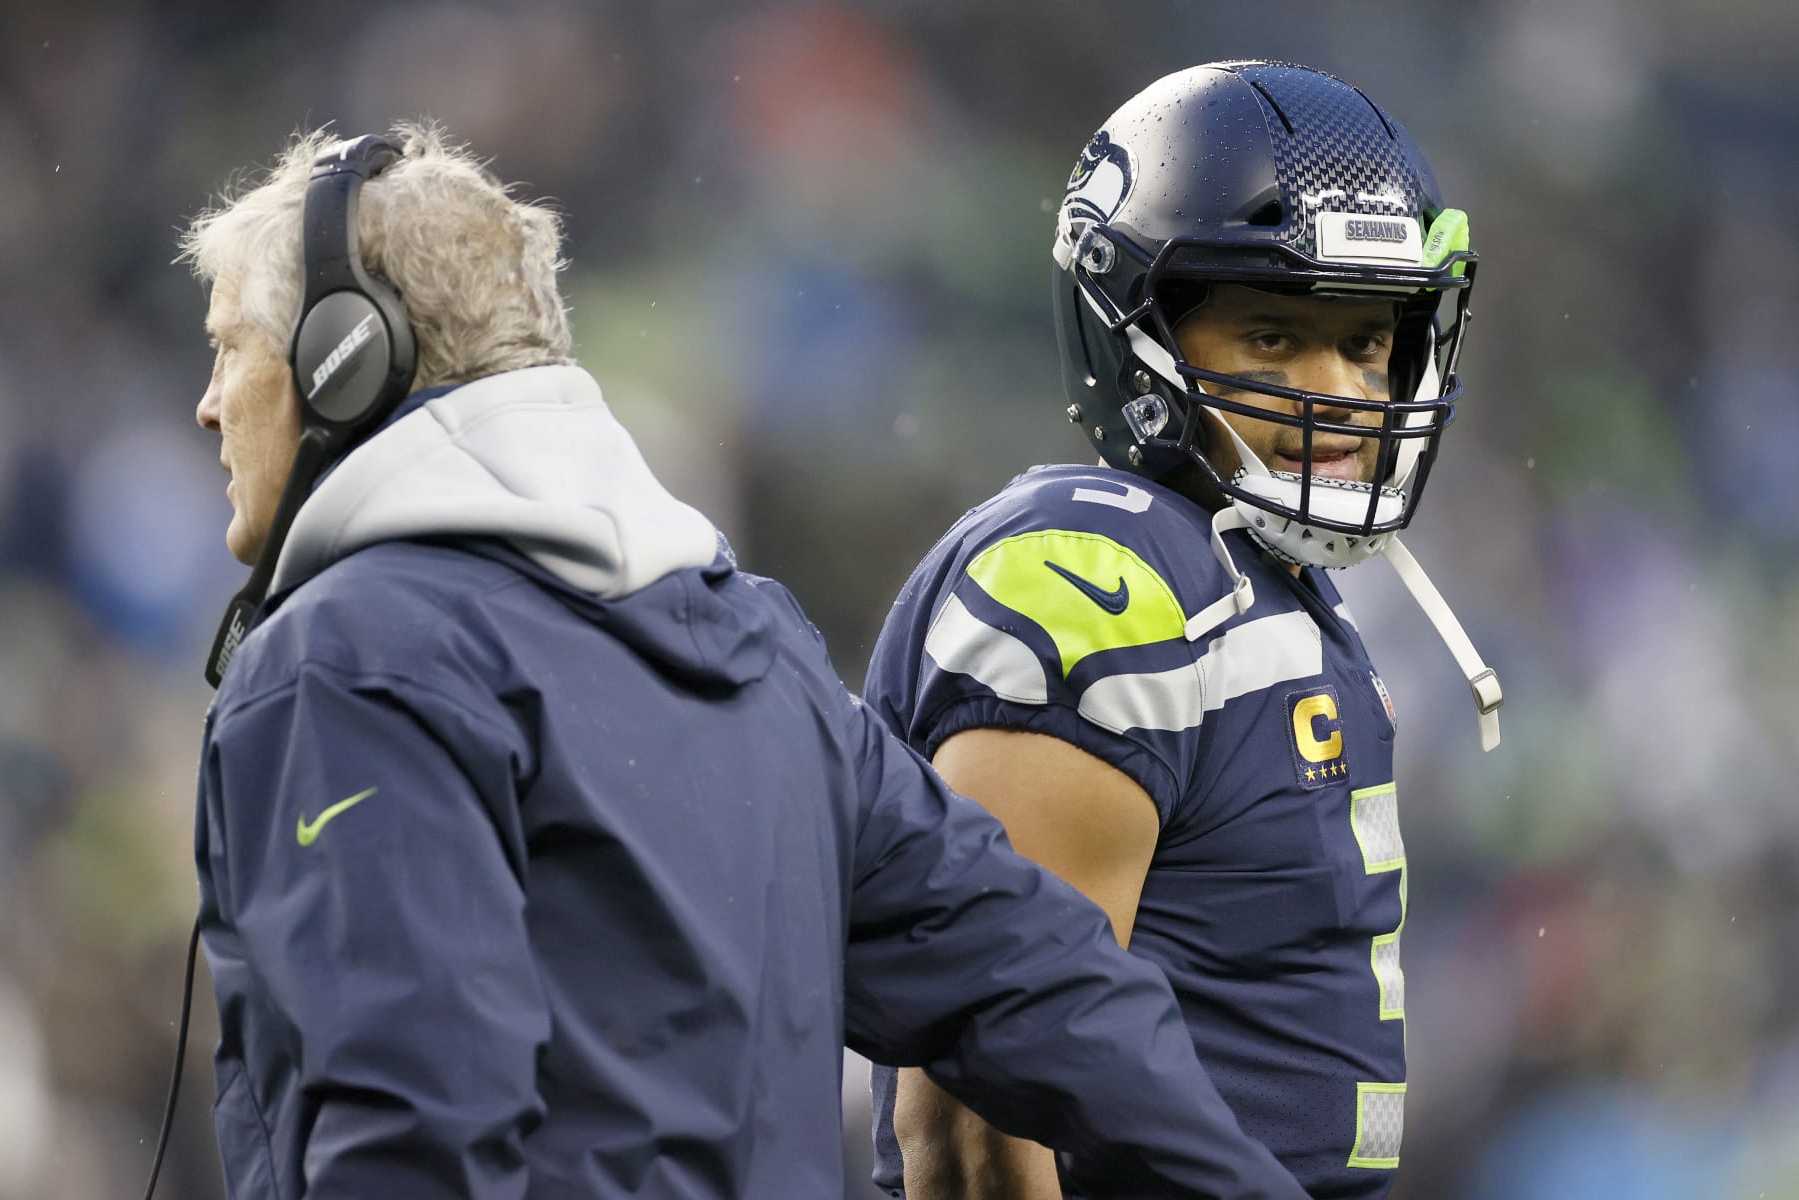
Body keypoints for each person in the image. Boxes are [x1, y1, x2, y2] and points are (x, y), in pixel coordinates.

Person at [178, 123, 1315, 1200]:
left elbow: (409, 1138)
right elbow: (1055, 1000)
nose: (208, 405)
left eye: (231, 346)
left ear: (346, 358)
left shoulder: (349, 661)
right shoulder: (759, 650)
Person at [864, 61, 1505, 1199]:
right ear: (1135, 334)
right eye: (1272, 337)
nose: (1345, 390)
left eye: (1367, 342)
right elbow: (974, 1105)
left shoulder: (1263, 579)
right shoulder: (1099, 571)